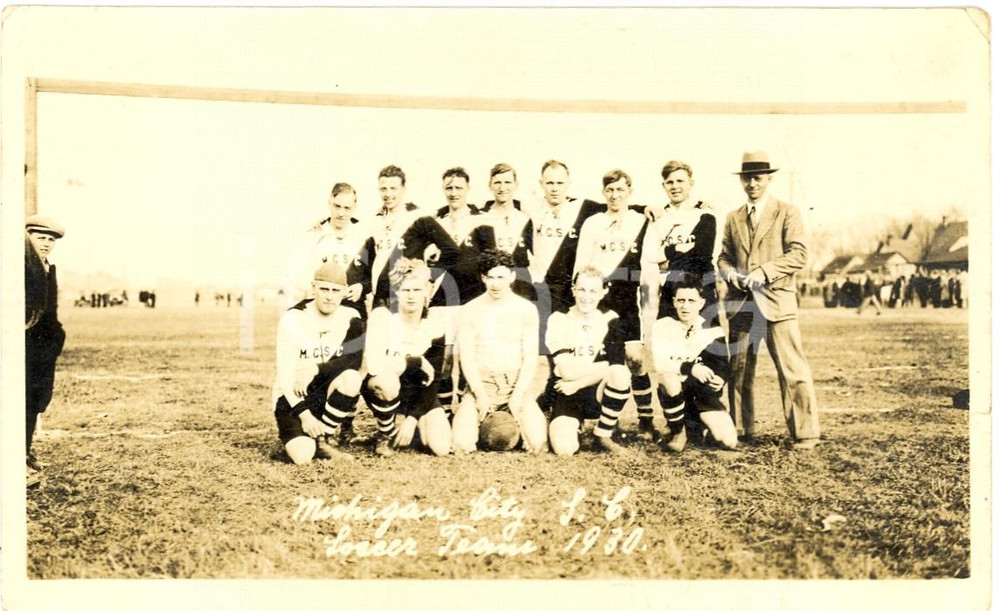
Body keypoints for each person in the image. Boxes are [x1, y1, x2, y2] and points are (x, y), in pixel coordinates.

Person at [717, 151, 821, 449]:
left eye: (758, 178)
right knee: (738, 371)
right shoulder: (733, 217)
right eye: (747, 178)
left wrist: (764, 272)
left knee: (792, 369)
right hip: (742, 304)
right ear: (742, 181)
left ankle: (805, 433)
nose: (752, 184)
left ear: (769, 179)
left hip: (778, 302)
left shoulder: (787, 212)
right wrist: (730, 274)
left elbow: (799, 254)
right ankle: (739, 430)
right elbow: (723, 256)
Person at [575, 169, 656, 440]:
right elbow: (581, 265)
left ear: (629, 191)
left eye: (620, 190)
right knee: (604, 361)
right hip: (600, 299)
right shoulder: (593, 222)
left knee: (634, 358)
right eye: (610, 190)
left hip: (628, 298)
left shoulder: (641, 220)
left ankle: (646, 419)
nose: (615, 195)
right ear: (603, 192)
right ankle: (607, 421)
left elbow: (651, 262)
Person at [452, 250, 548, 454]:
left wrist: (518, 395)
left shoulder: (526, 309)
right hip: (482, 384)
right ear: (482, 278)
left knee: (538, 443)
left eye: (500, 277)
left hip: (514, 385)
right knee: (461, 443)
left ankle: (518, 423)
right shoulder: (470, 309)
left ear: (512, 276)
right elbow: (466, 357)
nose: (495, 284)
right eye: (490, 277)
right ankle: (477, 419)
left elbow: (530, 359)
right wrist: (479, 394)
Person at [272, 260, 365, 465]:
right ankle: (303, 437)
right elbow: (285, 377)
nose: (329, 296)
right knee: (303, 456)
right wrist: (304, 416)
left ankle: (325, 439)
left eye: (335, 290)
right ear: (313, 288)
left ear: (344, 292)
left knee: (351, 378)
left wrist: (315, 369)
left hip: (324, 393)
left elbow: (353, 360)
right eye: (324, 289)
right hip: (293, 396)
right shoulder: (293, 318)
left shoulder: (351, 317)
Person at [361, 259, 453, 457]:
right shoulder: (382, 317)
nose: (411, 296)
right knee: (385, 379)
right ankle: (385, 433)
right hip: (386, 389)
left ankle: (412, 428)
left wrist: (411, 420)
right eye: (405, 290)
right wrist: (416, 361)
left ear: (427, 291)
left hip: (419, 395)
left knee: (441, 447)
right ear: (396, 292)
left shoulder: (434, 324)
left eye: (417, 290)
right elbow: (375, 366)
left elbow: (434, 379)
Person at [543, 267, 632, 455]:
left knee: (620, 374)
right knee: (564, 449)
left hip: (594, 390)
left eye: (593, 291)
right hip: (565, 391)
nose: (586, 296)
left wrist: (579, 382)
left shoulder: (610, 319)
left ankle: (603, 434)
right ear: (573, 289)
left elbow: (617, 368)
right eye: (581, 289)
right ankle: (572, 423)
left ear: (603, 293)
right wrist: (604, 366)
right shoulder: (559, 319)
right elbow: (567, 372)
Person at [351, 165, 462, 313]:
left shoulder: (418, 217)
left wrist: (429, 276)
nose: (388, 194)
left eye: (393, 188)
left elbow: (451, 250)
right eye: (383, 189)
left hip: (406, 297)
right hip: (380, 299)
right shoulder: (376, 221)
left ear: (403, 189)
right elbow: (373, 263)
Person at [650, 277, 738, 452]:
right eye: (681, 300)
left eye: (691, 301)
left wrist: (721, 378)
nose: (685, 306)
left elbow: (722, 364)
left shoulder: (712, 329)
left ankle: (696, 427)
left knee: (729, 441)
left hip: (702, 395)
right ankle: (678, 429)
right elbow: (661, 364)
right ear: (674, 302)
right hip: (677, 392)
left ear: (701, 303)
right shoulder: (662, 326)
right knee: (669, 379)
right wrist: (691, 368)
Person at [642, 160, 719, 324]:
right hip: (671, 288)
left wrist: (666, 259)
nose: (674, 186)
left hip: (701, 285)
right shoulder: (658, 215)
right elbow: (649, 256)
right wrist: (678, 249)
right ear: (663, 185)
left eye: (680, 181)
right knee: (667, 340)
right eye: (670, 182)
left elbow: (703, 252)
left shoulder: (704, 211)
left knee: (707, 342)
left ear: (691, 183)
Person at [284, 182, 369, 317]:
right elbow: (297, 274)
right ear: (329, 203)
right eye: (337, 206)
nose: (341, 213)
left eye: (347, 208)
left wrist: (362, 287)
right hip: (320, 308)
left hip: (352, 308)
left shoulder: (363, 236)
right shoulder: (315, 234)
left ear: (354, 207)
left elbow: (372, 274)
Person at [25, 215, 68, 474]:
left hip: (44, 347)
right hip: (26, 343)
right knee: (22, 398)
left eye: (51, 239)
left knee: (38, 397)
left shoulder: (49, 267)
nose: (46, 244)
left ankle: (25, 449)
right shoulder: (19, 266)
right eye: (41, 238)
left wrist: (56, 337)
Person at [480, 163, 533, 300]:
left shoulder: (526, 217)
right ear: (490, 185)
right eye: (497, 182)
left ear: (516, 184)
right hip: (491, 285)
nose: (502, 188)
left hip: (520, 286)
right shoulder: (480, 217)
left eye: (507, 182)